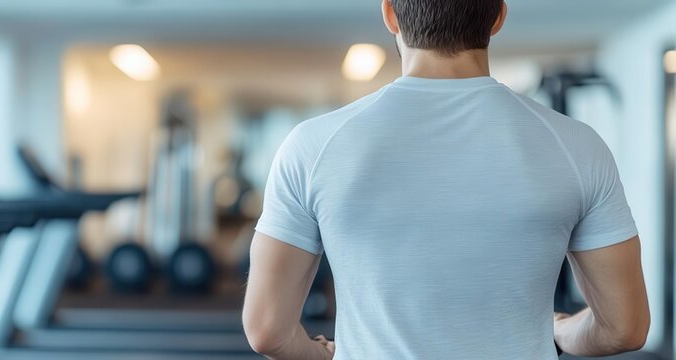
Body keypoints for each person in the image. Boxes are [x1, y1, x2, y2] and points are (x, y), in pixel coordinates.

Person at [241, 0, 651, 358]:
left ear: (390, 15)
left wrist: (324, 353)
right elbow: (624, 329)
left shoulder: (312, 145)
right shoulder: (577, 145)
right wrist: (559, 329)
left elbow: (267, 331)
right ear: (498, 17)